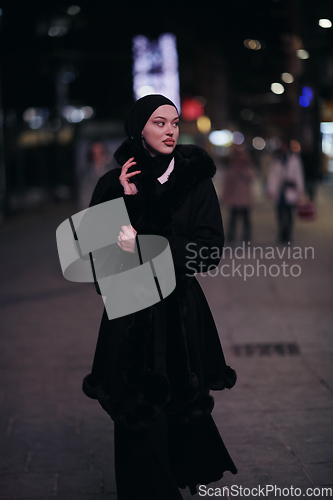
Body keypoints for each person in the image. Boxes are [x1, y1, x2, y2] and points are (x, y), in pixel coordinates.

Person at [82, 94, 237, 499]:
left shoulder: (196, 181)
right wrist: (123, 201)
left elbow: (208, 250)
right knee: (135, 413)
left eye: (173, 123)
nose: (169, 130)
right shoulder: (111, 183)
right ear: (139, 130)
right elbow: (97, 264)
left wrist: (149, 243)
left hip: (180, 316)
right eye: (159, 123)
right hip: (130, 315)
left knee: (181, 408)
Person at [267, 141, 305, 243]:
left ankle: (288, 234)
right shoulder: (276, 160)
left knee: (289, 215)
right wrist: (270, 189)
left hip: (290, 190)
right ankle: (281, 233)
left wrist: (300, 190)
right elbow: (272, 176)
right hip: (279, 192)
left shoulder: (294, 160)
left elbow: (299, 175)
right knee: (279, 214)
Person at [222, 148, 255, 242]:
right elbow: (227, 183)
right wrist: (226, 196)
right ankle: (231, 235)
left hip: (245, 197)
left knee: (246, 219)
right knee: (233, 219)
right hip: (235, 197)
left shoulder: (248, 168)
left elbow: (251, 177)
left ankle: (246, 235)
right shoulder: (232, 168)